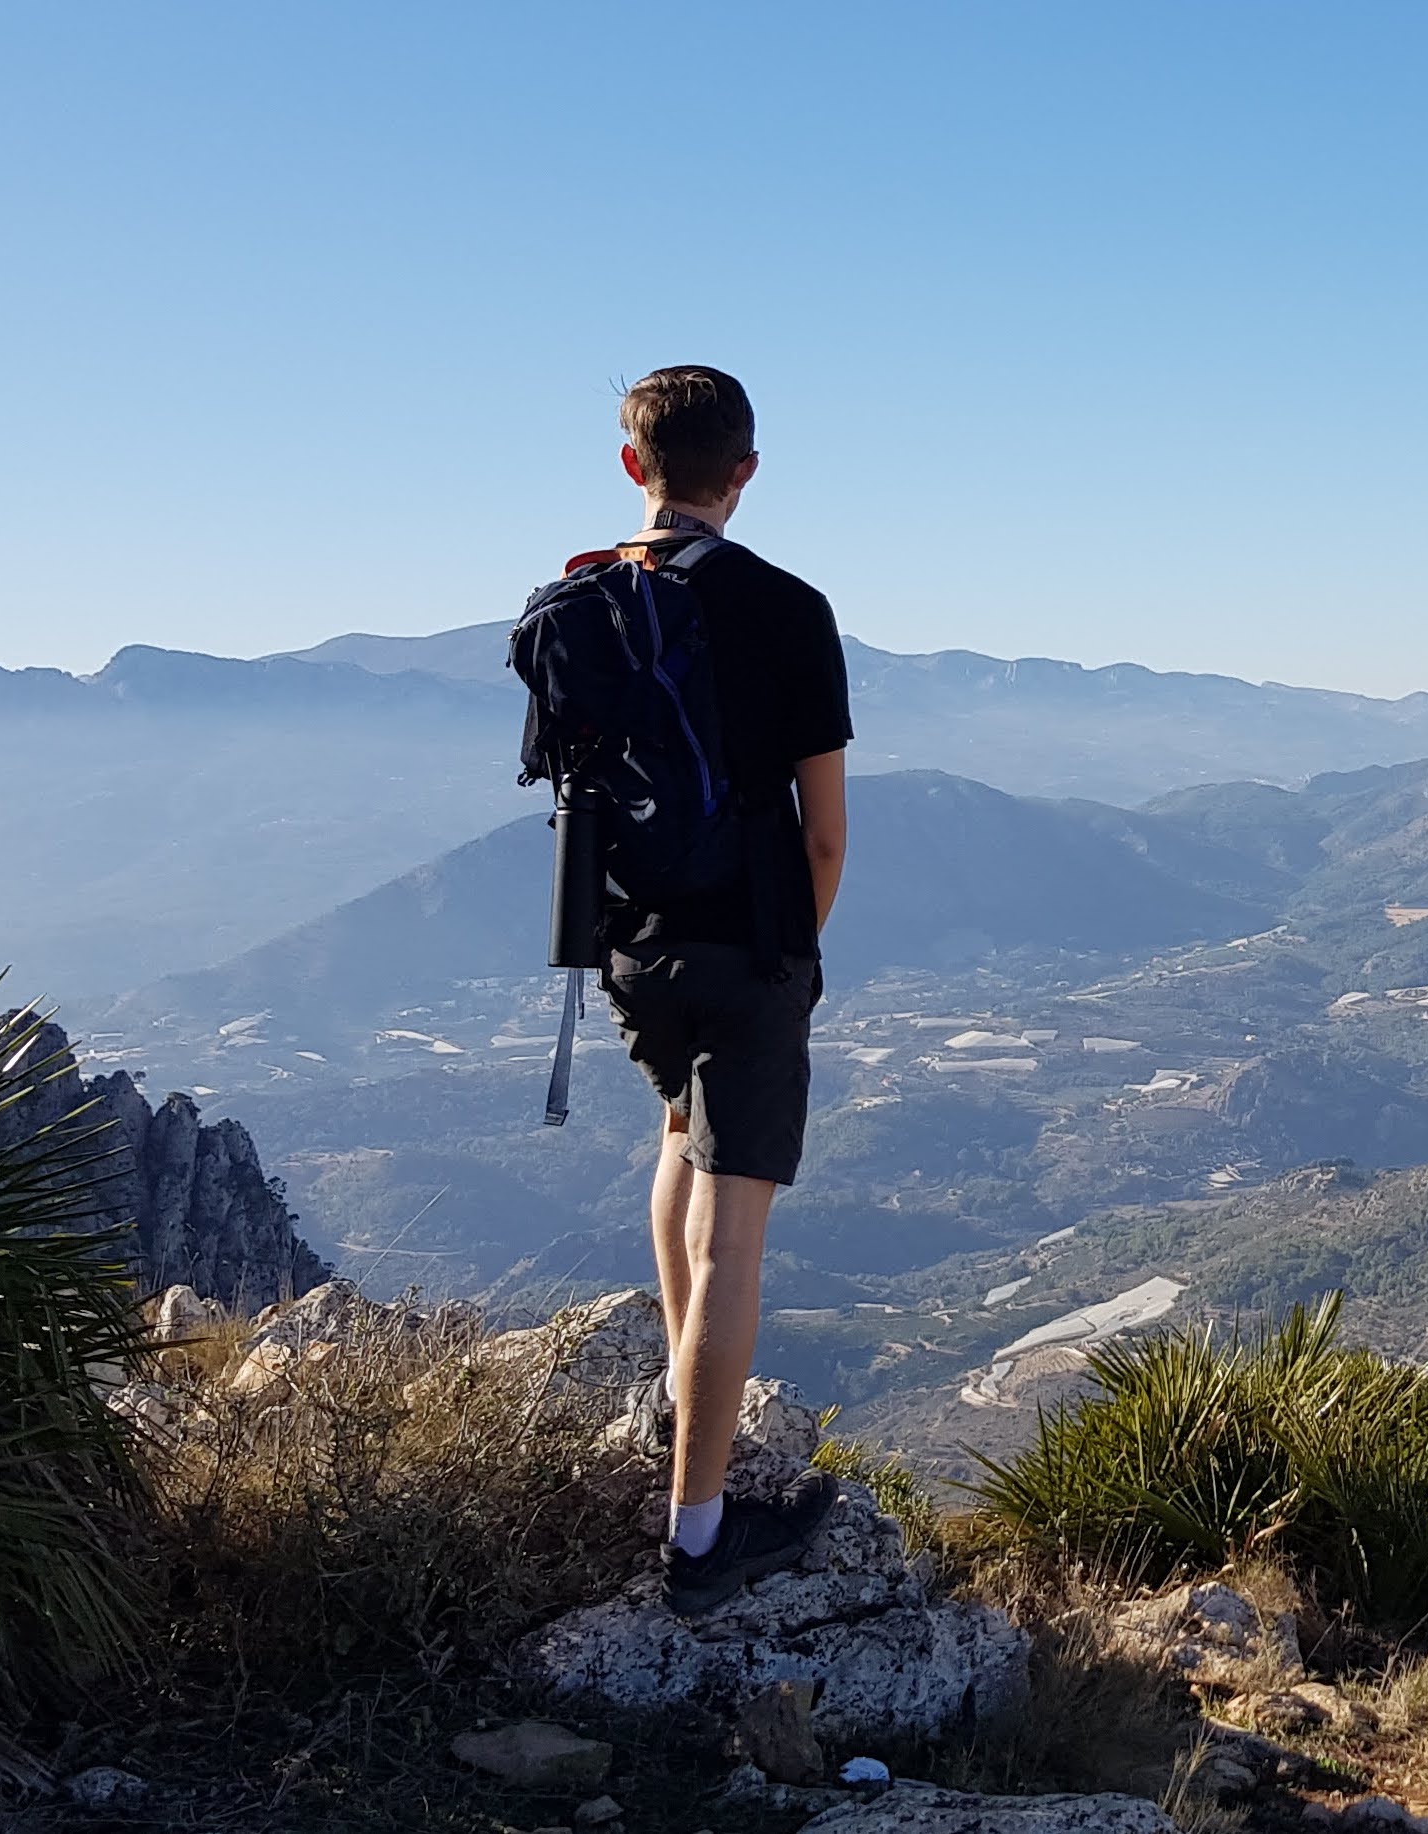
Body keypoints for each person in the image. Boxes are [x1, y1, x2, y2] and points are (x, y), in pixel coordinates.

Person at [570, 366, 851, 1615]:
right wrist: (787, 963)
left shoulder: (583, 604)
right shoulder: (788, 610)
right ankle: (700, 1539)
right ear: (744, 472)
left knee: (677, 1135)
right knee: (735, 1235)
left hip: (632, 947)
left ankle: (687, 1435)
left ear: (634, 466)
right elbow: (825, 836)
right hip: (748, 946)